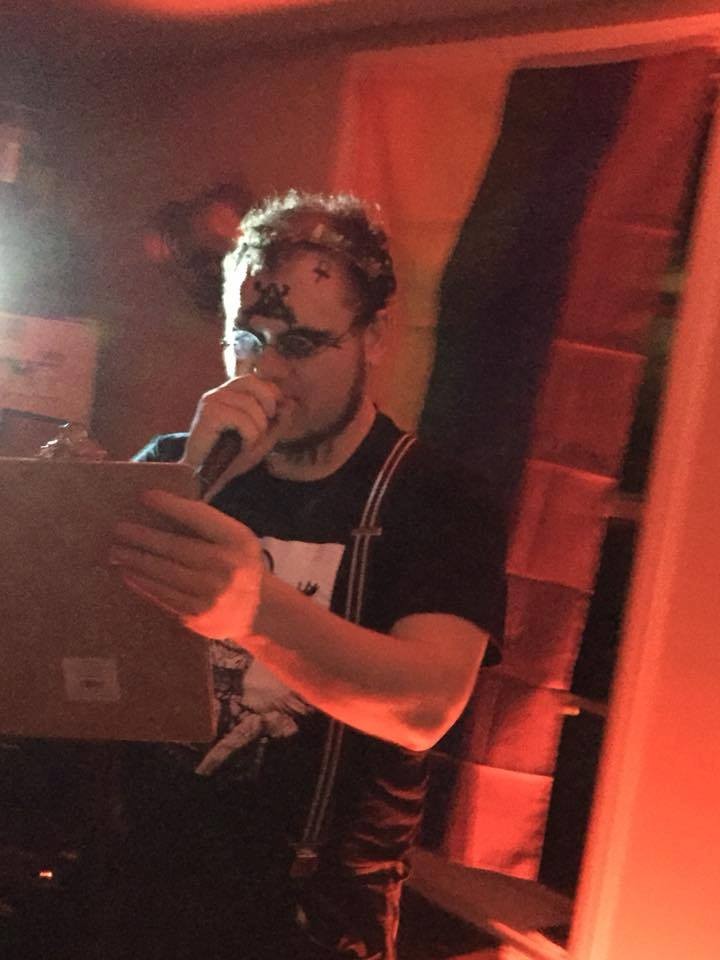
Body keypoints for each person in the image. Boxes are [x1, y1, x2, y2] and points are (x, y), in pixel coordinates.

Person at [107, 190, 507, 960]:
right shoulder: (174, 464)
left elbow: (425, 706)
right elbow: (74, 651)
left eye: (299, 343)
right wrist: (193, 480)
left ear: (374, 337)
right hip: (141, 892)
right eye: (245, 339)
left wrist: (255, 610)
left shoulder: (438, 498)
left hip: (314, 922)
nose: (266, 371)